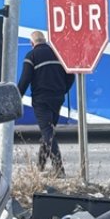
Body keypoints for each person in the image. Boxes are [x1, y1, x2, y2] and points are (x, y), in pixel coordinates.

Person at [17, 30, 76, 177]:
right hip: (57, 99)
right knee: (48, 132)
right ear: (44, 40)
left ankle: (59, 168)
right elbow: (71, 76)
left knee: (48, 133)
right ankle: (41, 165)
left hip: (41, 100)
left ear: (32, 43)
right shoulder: (58, 54)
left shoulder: (31, 56)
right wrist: (62, 90)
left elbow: (25, 80)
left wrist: (17, 97)